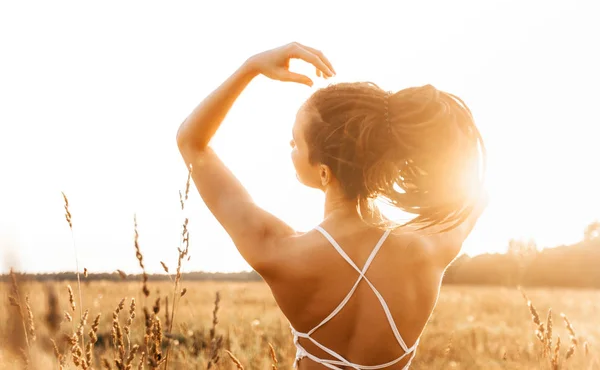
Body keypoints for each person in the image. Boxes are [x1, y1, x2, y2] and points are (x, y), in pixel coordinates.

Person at [176, 42, 487, 369]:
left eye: (296, 141)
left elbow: (191, 142)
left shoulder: (279, 252)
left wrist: (250, 67)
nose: (290, 146)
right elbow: (476, 189)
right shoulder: (431, 247)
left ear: (324, 172)